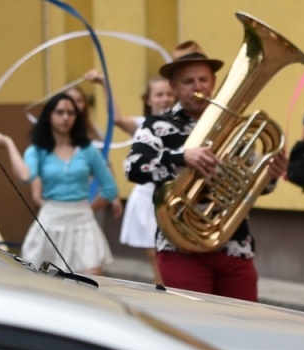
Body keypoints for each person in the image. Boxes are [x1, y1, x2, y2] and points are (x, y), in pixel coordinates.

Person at [123, 41, 288, 301]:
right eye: (188, 82)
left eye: (203, 79)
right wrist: (182, 158)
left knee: (243, 327)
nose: (198, 87)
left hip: (235, 245)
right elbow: (133, 168)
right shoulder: (158, 125)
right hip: (180, 248)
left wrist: (271, 173)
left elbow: (256, 186)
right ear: (174, 88)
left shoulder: (235, 125)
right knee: (192, 329)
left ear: (213, 82)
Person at [0, 92, 122, 276]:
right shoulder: (38, 150)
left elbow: (110, 189)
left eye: (71, 113)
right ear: (49, 116)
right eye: (59, 112)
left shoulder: (88, 151)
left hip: (83, 223)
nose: (65, 117)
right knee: (45, 284)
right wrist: (8, 144)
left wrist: (87, 209)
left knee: (92, 282)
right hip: (50, 221)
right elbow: (25, 176)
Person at [119, 77, 176, 260]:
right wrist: (103, 83)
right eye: (159, 94)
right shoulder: (143, 124)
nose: (165, 99)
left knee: (169, 264)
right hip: (148, 200)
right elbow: (116, 118)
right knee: (159, 259)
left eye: (169, 94)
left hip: (175, 200)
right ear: (149, 99)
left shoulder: (181, 127)